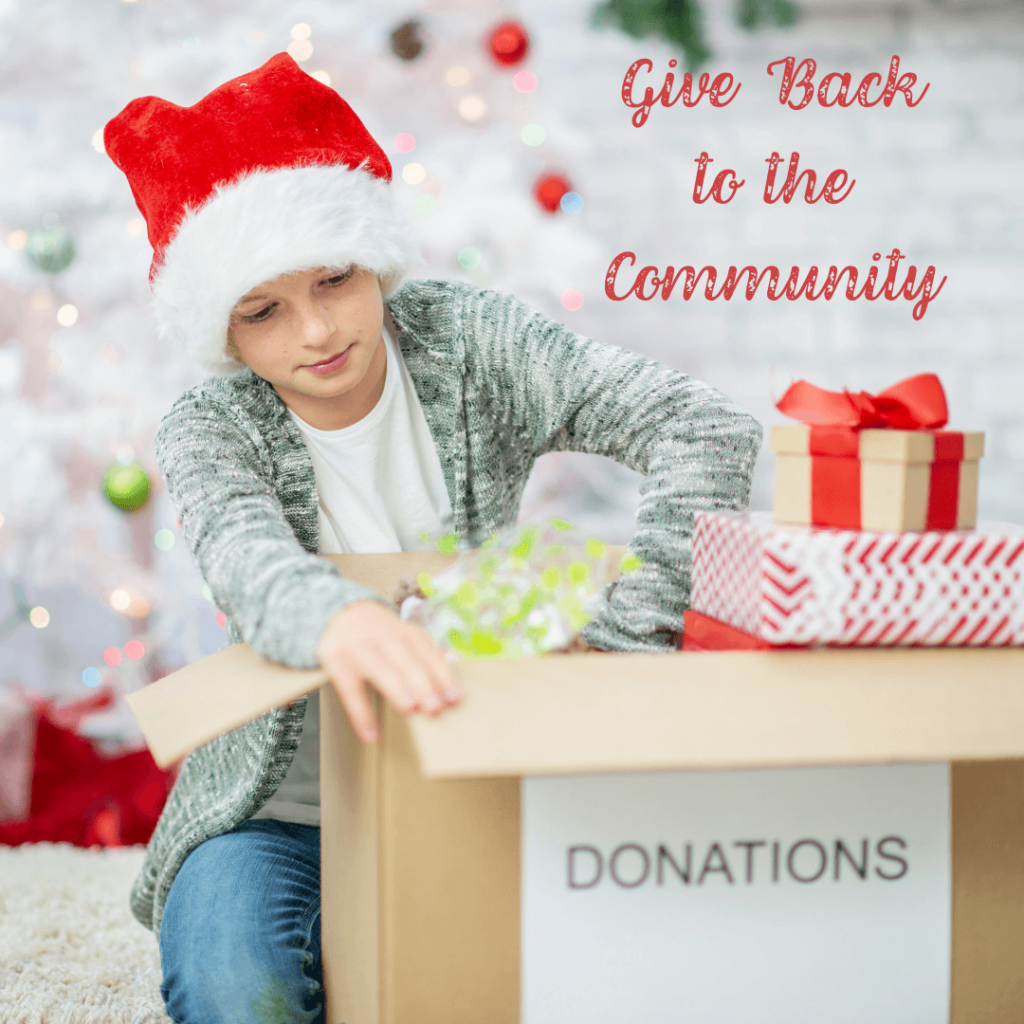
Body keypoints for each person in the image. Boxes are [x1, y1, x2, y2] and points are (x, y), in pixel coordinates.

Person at [104, 51, 762, 1024]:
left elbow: (704, 426)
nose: (317, 328)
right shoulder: (212, 426)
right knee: (241, 991)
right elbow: (246, 558)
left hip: (473, 767)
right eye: (263, 310)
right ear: (223, 328)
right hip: (275, 817)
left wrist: (633, 633)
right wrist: (338, 621)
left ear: (373, 255)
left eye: (335, 277)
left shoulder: (470, 342)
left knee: (589, 974)